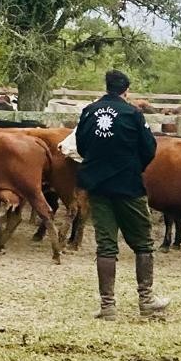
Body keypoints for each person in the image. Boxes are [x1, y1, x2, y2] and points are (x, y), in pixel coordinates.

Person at [75, 69, 170, 320]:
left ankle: (107, 306)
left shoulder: (89, 112)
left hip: (98, 186)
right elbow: (149, 148)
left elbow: (82, 146)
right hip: (128, 186)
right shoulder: (133, 114)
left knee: (106, 245)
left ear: (106, 87)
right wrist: (133, 167)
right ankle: (146, 300)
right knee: (143, 243)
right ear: (126, 90)